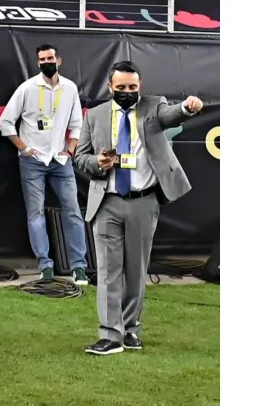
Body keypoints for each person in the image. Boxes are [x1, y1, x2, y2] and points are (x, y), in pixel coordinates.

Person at [74, 61, 203, 355]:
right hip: (106, 202)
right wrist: (99, 163)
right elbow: (80, 157)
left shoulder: (153, 106)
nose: (127, 93)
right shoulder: (94, 116)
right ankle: (110, 335)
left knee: (136, 271)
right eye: (121, 88)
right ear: (110, 87)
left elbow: (171, 115)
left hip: (144, 202)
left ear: (140, 86)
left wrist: (187, 107)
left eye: (133, 87)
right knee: (108, 271)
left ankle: (130, 330)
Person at [0, 43, 88, 283]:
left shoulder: (69, 88)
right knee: (35, 213)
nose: (47, 62)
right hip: (33, 161)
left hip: (60, 159)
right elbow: (5, 122)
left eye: (50, 58)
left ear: (58, 60)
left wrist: (71, 147)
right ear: (37, 63)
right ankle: (44, 266)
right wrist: (25, 149)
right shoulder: (27, 88)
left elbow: (77, 122)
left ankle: (79, 266)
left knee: (73, 212)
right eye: (42, 59)